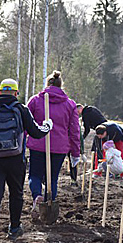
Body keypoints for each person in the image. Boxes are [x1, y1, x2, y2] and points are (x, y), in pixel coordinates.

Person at [0, 78, 53, 243]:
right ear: (16, 93)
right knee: (16, 194)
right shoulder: (21, 108)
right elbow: (36, 132)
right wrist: (47, 126)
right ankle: (14, 228)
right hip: (16, 160)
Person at [27, 71, 80, 216]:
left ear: (47, 84)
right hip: (59, 147)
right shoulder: (70, 104)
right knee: (53, 178)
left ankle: (37, 196)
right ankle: (48, 205)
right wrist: (75, 153)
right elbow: (75, 130)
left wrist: (22, 140)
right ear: (61, 85)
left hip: (37, 144)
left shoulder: (35, 100)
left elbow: (26, 122)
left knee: (35, 175)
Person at [76, 104, 107, 168]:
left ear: (80, 108)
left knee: (97, 150)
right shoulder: (91, 109)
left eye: (77, 111)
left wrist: (82, 138)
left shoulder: (85, 114)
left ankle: (99, 167)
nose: (78, 113)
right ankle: (96, 166)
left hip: (101, 131)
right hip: (105, 128)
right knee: (96, 149)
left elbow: (87, 130)